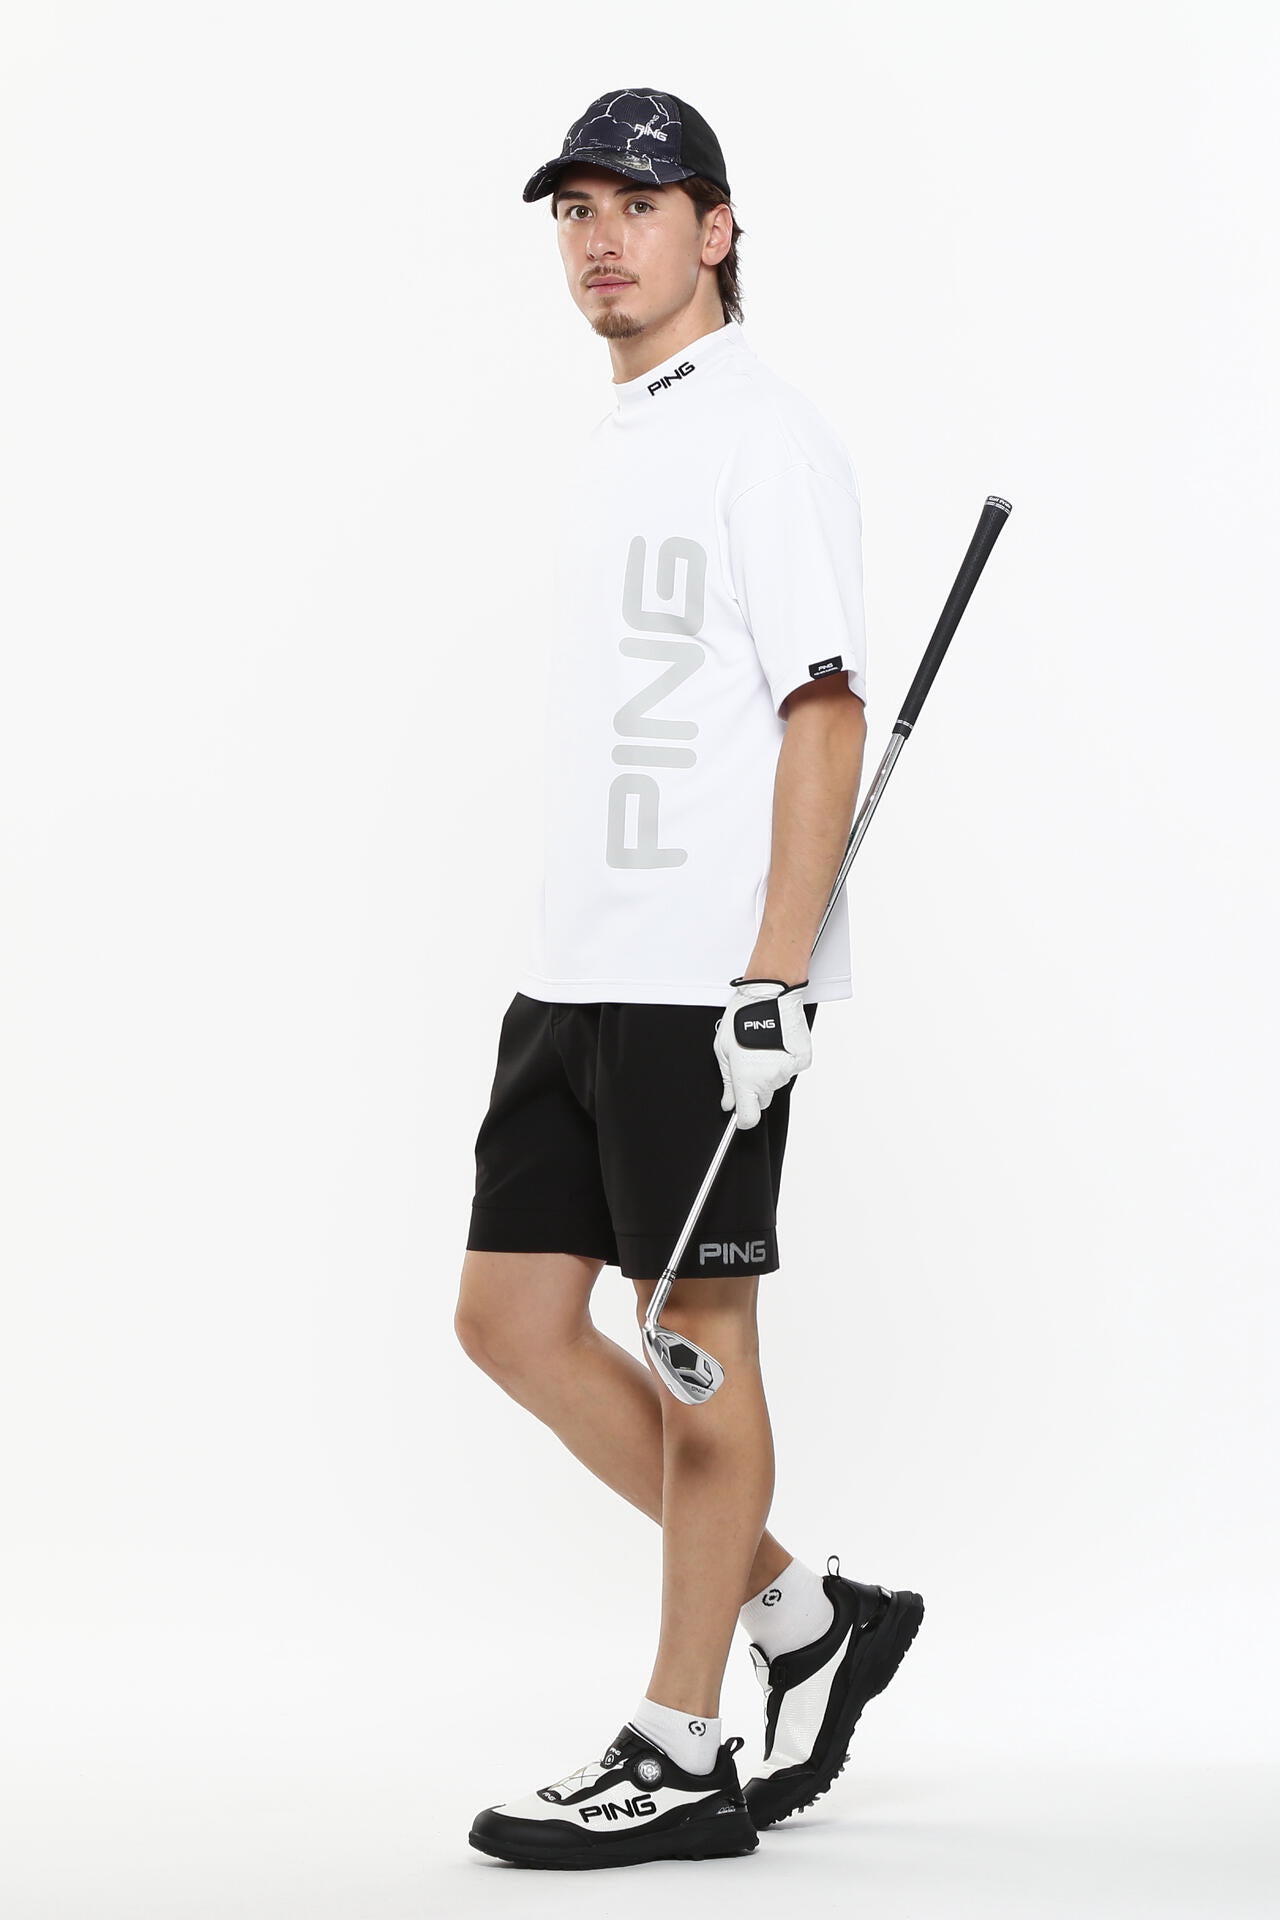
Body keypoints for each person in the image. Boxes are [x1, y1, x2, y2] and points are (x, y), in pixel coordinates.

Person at [455, 87, 922, 1871]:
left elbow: (825, 711)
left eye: (637, 204)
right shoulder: (621, 436)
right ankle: (803, 1616)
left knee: (694, 1346)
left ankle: (683, 1745)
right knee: (508, 1322)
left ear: (715, 229)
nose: (601, 238)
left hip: (695, 991)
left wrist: (773, 978)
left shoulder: (762, 436)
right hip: (571, 972)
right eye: (575, 209)